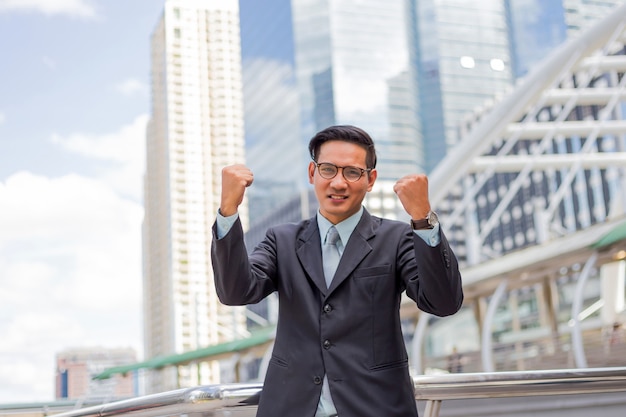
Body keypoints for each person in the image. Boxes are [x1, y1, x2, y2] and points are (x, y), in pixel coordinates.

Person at [211, 125, 464, 417]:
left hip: (376, 408)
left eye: (353, 172)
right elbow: (235, 292)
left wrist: (423, 219)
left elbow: (444, 302)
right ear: (312, 173)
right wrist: (228, 211)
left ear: (370, 180)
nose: (339, 183)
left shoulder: (397, 239)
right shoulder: (281, 240)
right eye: (328, 169)